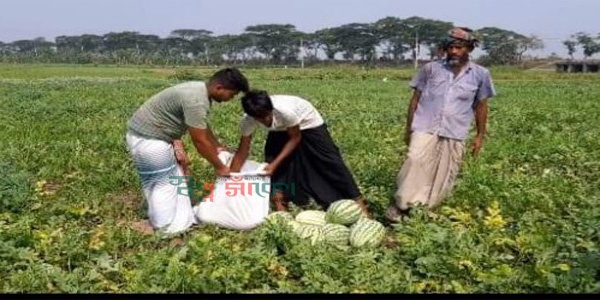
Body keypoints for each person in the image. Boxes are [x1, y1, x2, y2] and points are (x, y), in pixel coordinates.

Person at [385, 27, 497, 222]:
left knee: (443, 171)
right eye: (451, 47)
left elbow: (481, 106)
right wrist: (408, 128)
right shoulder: (431, 69)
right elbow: (415, 99)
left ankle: (425, 208)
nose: (454, 51)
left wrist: (480, 136)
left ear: (469, 50)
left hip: (455, 129)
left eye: (459, 47)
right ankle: (401, 205)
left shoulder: (480, 74)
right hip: (424, 125)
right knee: (414, 159)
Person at [125, 67, 250, 235]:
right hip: (149, 139)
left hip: (154, 136)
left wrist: (218, 146)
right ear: (219, 88)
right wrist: (220, 167)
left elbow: (203, 127)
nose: (231, 99)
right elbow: (199, 141)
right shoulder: (196, 100)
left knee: (176, 182)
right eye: (232, 94)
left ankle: (181, 222)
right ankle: (164, 227)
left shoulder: (199, 90)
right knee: (164, 185)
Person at [228, 90, 370, 215]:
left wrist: (274, 165)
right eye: (259, 118)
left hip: (308, 122)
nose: (265, 121)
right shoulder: (248, 121)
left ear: (271, 109)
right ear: (252, 116)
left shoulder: (285, 111)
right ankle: (280, 207)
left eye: (266, 116)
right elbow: (242, 151)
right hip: (279, 129)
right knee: (273, 161)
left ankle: (358, 203)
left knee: (330, 162)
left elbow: (295, 138)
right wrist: (230, 177)